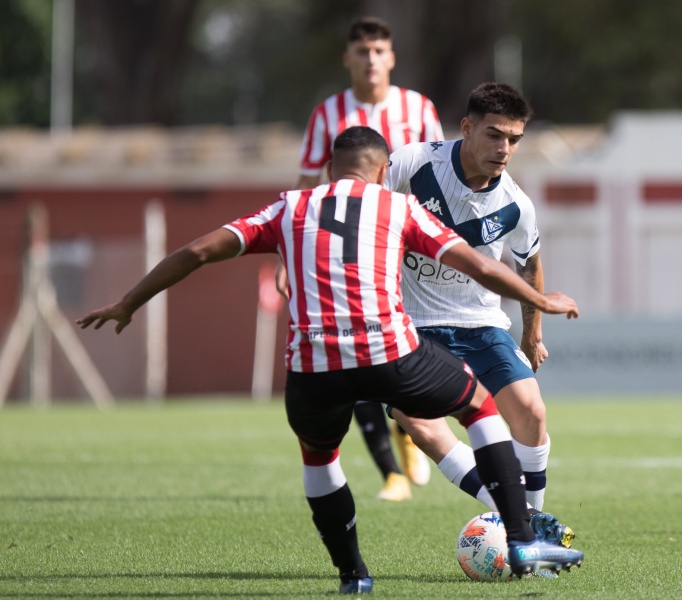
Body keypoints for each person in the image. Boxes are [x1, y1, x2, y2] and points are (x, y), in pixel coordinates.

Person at [76, 126, 584, 595]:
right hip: (389, 354)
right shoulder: (396, 207)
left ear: (329, 170)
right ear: (385, 171)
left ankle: (353, 576)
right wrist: (541, 302)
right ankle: (520, 536)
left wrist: (128, 303)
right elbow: (477, 264)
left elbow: (197, 251)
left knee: (319, 457)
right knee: (477, 404)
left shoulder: (287, 208)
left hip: (312, 367)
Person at [384, 82, 572, 541]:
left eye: (513, 139)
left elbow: (530, 266)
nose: (504, 149)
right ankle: (519, 521)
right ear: (466, 128)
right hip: (412, 326)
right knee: (419, 425)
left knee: (531, 412)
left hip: (481, 325)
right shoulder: (412, 164)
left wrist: (533, 335)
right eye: (494, 135)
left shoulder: (515, 205)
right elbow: (366, 208)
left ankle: (530, 522)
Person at [290, 16, 443, 500]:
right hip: (348, 248)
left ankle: (408, 427)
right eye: (362, 51)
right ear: (348, 58)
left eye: (379, 50)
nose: (371, 59)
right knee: (352, 343)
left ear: (391, 57)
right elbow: (306, 183)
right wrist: (283, 258)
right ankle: (391, 474)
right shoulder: (327, 114)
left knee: (408, 341)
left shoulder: (418, 108)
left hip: (404, 243)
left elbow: (438, 173)